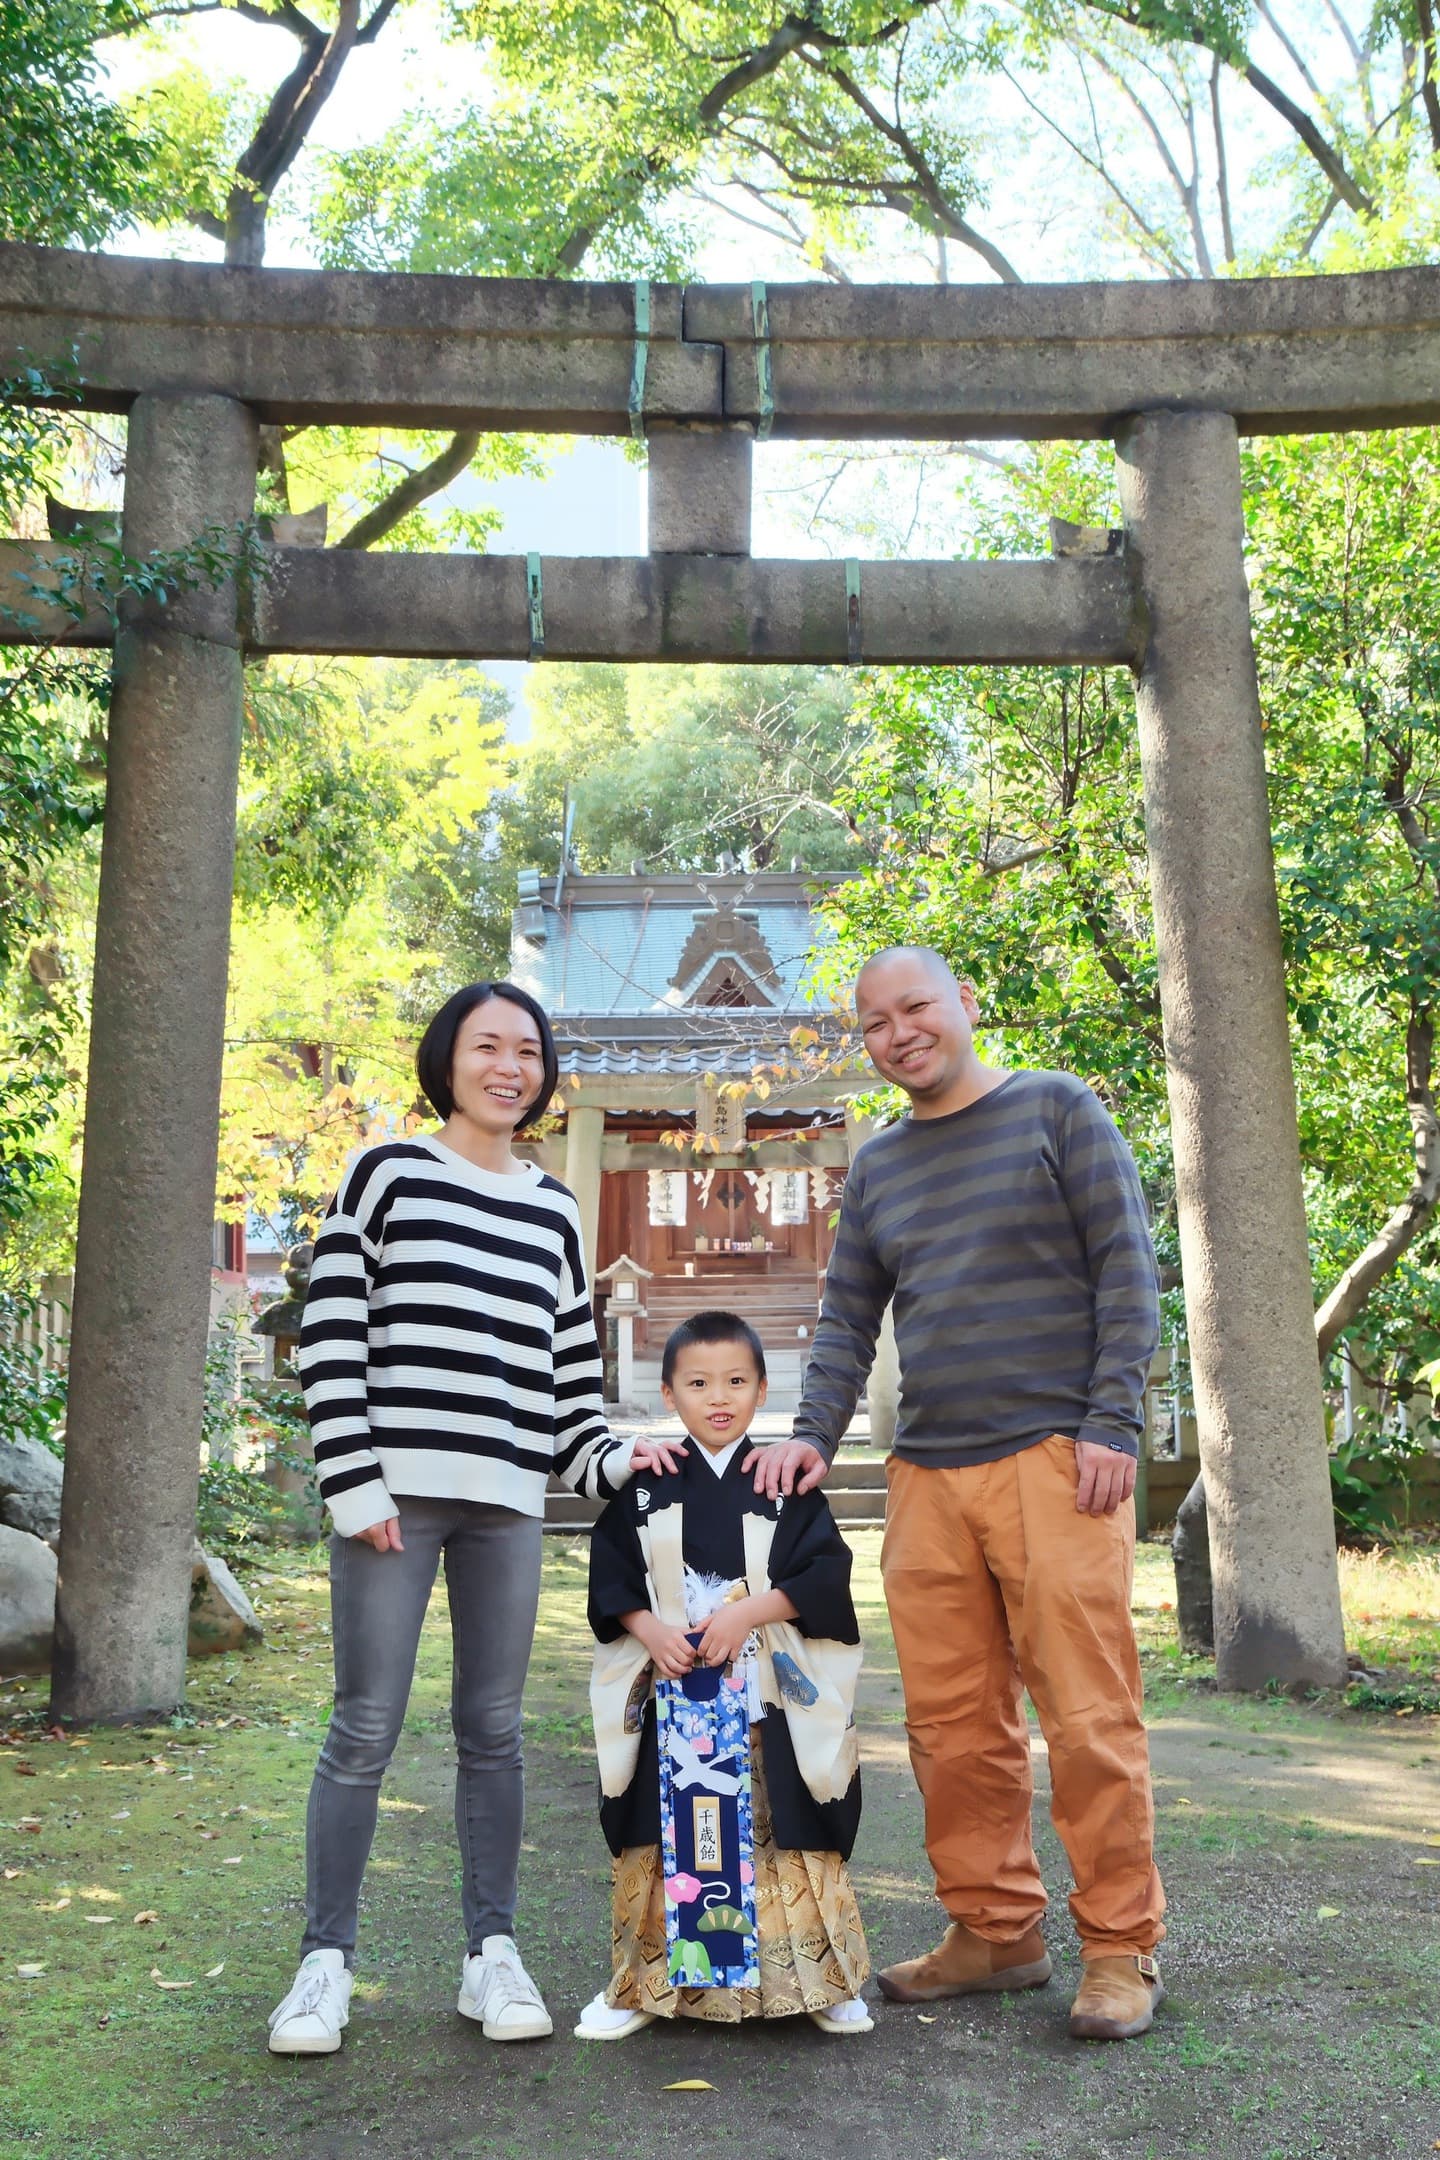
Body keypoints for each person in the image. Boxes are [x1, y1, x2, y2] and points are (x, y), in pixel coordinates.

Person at [746, 947, 1166, 2043]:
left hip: (1056, 1460)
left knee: (1086, 1718)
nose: (898, 1033)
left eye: (916, 1007)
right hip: (925, 1474)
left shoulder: (1056, 1110)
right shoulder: (880, 1166)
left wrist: (1113, 1420)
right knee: (950, 1727)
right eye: (875, 1022)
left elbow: (1127, 1270)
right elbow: (846, 1320)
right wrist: (809, 1438)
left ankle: (1120, 1950)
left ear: (964, 1004)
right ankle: (994, 1932)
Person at [266, 981, 680, 2057]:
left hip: (506, 1506)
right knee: (365, 1728)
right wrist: (351, 1480)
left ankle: (490, 1956)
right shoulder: (390, 1171)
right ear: (447, 1058)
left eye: (528, 1051)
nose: (509, 1066)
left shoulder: (552, 1208)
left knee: (492, 1734)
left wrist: (618, 1459)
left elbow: (569, 1384)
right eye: (487, 1046)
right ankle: (324, 1965)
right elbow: (333, 1327)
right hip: (390, 1502)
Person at [577, 1310, 871, 2040]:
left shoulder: (783, 1478)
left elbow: (828, 1573)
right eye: (699, 1382)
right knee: (666, 1831)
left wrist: (750, 1614)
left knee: (789, 1825)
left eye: (737, 1381)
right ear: (669, 1395)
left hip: (768, 1698)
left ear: (763, 1388)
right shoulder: (645, 1486)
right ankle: (640, 1986)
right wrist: (649, 1630)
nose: (719, 1397)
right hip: (672, 1693)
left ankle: (823, 1978)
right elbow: (611, 1582)